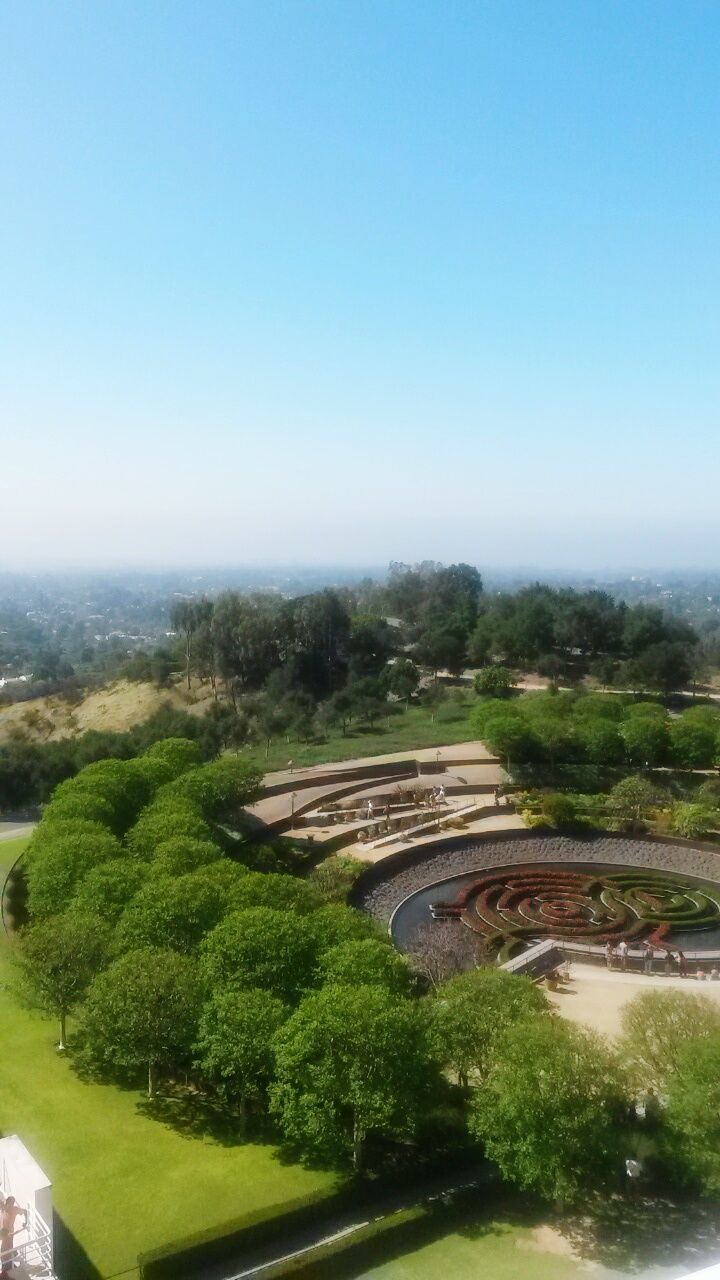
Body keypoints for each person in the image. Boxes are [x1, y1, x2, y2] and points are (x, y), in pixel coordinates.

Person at [0, 1196, 27, 1274]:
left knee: (5, 1249)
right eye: (8, 1204)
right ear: (6, 1202)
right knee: (5, 1249)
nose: (9, 1206)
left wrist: (26, 1223)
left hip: (8, 1233)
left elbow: (25, 1211)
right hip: (3, 1231)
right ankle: (11, 1259)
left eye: (11, 1204)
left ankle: (8, 1265)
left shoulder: (14, 1209)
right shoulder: (4, 1207)